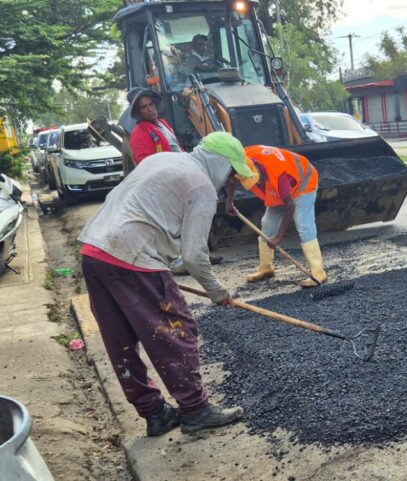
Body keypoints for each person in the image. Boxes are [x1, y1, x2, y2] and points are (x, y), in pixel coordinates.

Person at [77, 132, 256, 437]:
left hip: (94, 252)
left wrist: (165, 265)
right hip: (130, 255)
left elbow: (148, 210)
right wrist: (216, 291)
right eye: (230, 171)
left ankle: (155, 414)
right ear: (220, 161)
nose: (229, 179)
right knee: (176, 331)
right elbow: (194, 255)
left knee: (120, 340)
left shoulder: (164, 159)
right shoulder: (200, 186)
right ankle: (196, 410)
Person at [225, 145, 326, 288]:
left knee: (303, 225)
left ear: (258, 171)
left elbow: (290, 206)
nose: (258, 185)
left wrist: (279, 236)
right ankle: (266, 268)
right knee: (267, 224)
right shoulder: (241, 159)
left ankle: (318, 272)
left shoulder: (277, 174)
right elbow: (231, 178)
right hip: (278, 184)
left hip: (304, 180)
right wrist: (229, 201)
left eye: (258, 182)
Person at [127, 87, 181, 164]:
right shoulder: (139, 134)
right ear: (138, 112)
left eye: (151, 104)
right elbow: (146, 164)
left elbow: (176, 146)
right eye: (144, 107)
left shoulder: (163, 123)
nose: (150, 109)